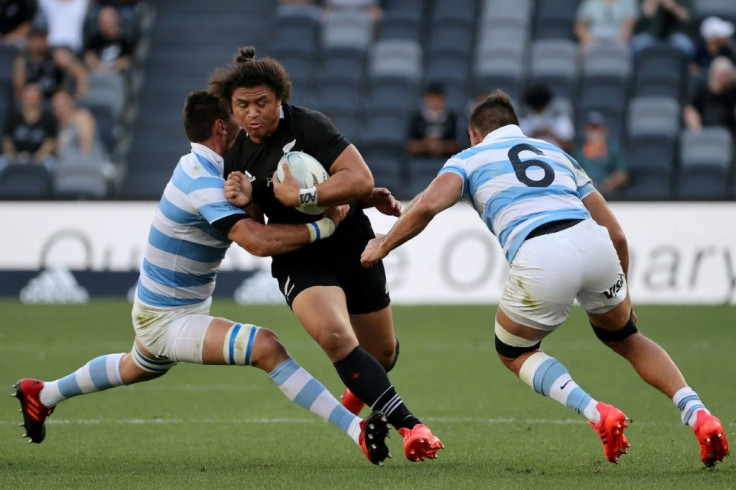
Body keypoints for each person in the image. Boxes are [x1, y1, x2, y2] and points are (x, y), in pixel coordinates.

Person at [11, 90, 392, 466]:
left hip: (162, 307)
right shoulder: (205, 182)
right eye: (238, 115)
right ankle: (356, 430)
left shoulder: (210, 168)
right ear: (221, 127)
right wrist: (327, 224)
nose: (247, 123)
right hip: (169, 319)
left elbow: (271, 197)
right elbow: (258, 242)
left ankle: (42, 394)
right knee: (266, 348)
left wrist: (360, 195)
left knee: (135, 365)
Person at [360, 90, 730, 467]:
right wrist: (623, 294)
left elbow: (426, 205)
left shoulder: (469, 158)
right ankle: (700, 416)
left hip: (541, 253)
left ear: (474, 134)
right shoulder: (557, 154)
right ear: (515, 126)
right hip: (594, 243)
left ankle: (596, 412)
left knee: (515, 351)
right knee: (627, 337)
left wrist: (384, 244)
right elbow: (616, 233)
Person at [210, 46, 444, 462]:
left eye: (261, 103)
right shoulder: (238, 156)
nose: (252, 114)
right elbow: (259, 230)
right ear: (231, 108)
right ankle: (412, 428)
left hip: (351, 241)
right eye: (242, 105)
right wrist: (244, 199)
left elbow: (359, 178)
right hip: (301, 255)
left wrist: (305, 194)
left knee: (382, 354)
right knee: (336, 338)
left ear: (279, 99)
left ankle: (361, 389)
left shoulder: (311, 126)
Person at [12, 27, 87, 100]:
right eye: (35, 39)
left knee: (61, 97)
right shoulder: (23, 60)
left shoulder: (57, 55)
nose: (38, 43)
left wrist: (79, 95)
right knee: (31, 94)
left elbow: (80, 73)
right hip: (34, 99)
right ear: (29, 41)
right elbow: (19, 90)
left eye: (41, 38)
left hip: (56, 98)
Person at [0, 83, 57, 173]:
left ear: (40, 99)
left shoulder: (48, 119)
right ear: (22, 98)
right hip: (16, 157)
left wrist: (35, 158)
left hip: (40, 158)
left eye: (34, 95)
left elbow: (50, 143)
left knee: (51, 164)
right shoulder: (14, 118)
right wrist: (15, 157)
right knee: (2, 162)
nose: (31, 98)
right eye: (28, 95)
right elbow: (7, 141)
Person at [573, 111, 628, 198]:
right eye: (591, 129)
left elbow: (622, 174)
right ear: (585, 131)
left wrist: (606, 184)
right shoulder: (579, 152)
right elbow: (574, 174)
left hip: (610, 195)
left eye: (597, 128)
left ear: (605, 131)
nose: (594, 133)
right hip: (585, 195)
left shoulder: (614, 149)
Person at [406, 83, 460, 158]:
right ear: (426, 100)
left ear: (443, 100)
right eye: (432, 99)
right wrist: (426, 145)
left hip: (446, 160)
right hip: (421, 159)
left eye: (438, 99)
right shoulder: (417, 119)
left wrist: (442, 145)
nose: (435, 102)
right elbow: (410, 146)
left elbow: (458, 145)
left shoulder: (452, 118)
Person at [683, 56, 736, 133]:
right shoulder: (703, 89)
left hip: (728, 131)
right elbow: (691, 110)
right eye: (721, 75)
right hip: (704, 129)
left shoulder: (733, 91)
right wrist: (697, 130)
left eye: (727, 76)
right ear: (714, 74)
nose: (724, 79)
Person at [519, 83, 574, 153]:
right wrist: (535, 134)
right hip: (530, 158)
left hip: (555, 157)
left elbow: (568, 147)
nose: (538, 109)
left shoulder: (559, 118)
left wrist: (549, 132)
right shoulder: (524, 120)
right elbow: (517, 146)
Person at [83, 6, 133, 74]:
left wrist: (108, 68)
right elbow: (89, 59)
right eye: (101, 20)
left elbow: (126, 62)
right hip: (97, 76)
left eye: (107, 20)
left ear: (116, 20)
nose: (104, 23)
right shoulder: (94, 41)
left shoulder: (125, 41)